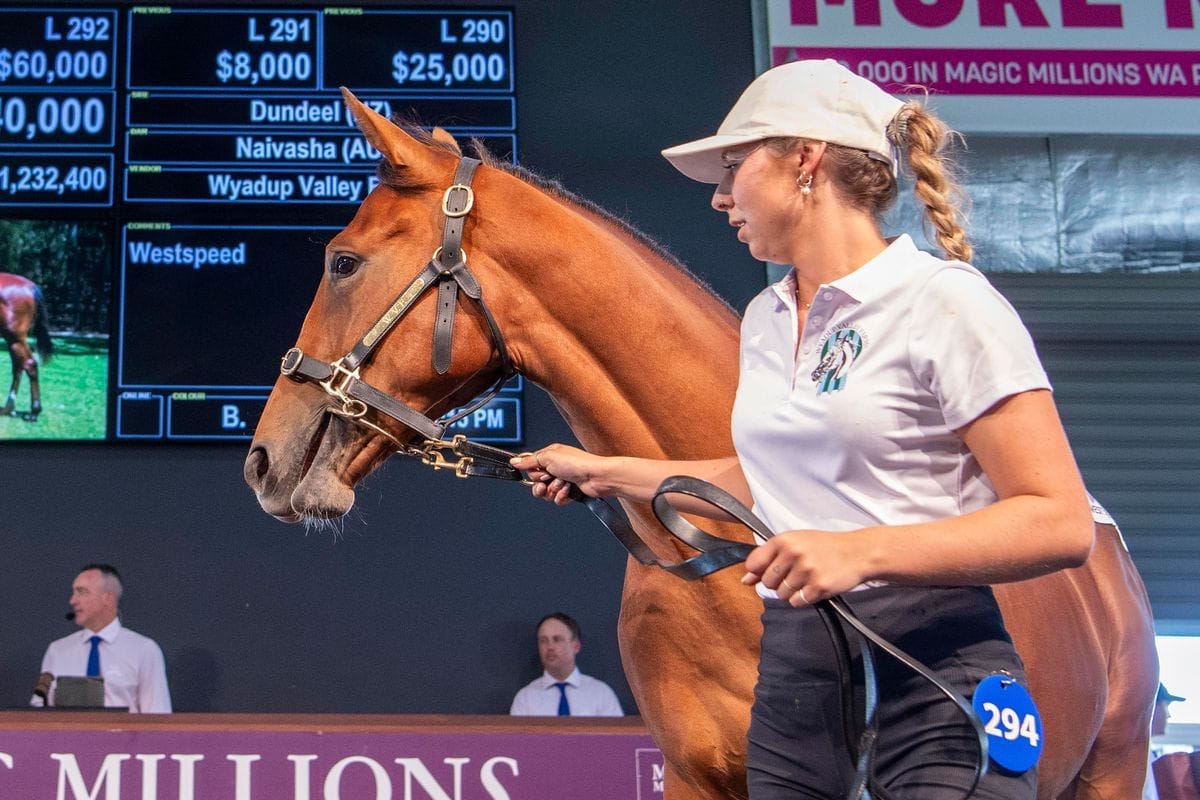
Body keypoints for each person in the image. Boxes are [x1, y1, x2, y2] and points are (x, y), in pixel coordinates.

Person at [510, 58, 1094, 799]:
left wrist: (857, 553)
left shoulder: (945, 304)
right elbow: (765, 484)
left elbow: (1060, 521)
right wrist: (604, 472)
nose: (721, 196)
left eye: (733, 166)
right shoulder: (766, 319)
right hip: (797, 670)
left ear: (806, 159)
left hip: (935, 666)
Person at [32, 563, 171, 713]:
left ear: (108, 598)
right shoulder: (58, 651)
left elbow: (157, 715)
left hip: (124, 736)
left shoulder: (143, 650)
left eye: (82, 592)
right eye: (73, 592)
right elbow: (39, 710)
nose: (73, 600)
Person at [509, 612, 623, 717]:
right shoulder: (525, 698)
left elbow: (617, 737)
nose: (550, 647)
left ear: (576, 646)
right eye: (543, 640)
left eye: (557, 639)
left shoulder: (601, 694)